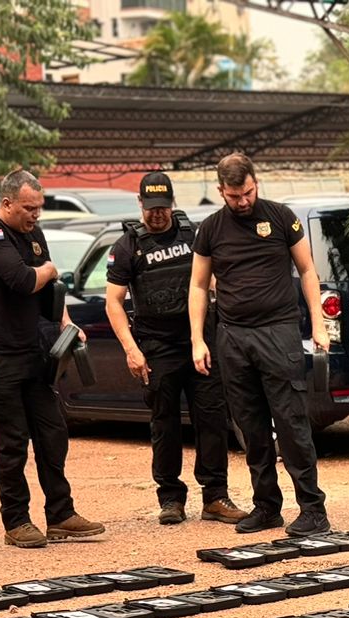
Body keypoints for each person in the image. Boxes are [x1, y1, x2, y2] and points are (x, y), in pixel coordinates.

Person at [189, 153, 331, 535]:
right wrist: (197, 339)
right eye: (235, 196)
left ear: (256, 183)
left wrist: (318, 323)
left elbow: (307, 270)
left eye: (248, 192)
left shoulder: (282, 217)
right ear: (222, 191)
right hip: (232, 337)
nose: (243, 201)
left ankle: (313, 509)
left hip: (278, 331)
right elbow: (199, 285)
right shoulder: (210, 230)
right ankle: (267, 506)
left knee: (291, 423)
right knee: (250, 427)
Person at [0, 168, 105, 548]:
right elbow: (23, 280)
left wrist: (67, 322)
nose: (35, 215)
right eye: (28, 208)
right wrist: (47, 270)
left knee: (53, 432)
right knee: (11, 441)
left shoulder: (33, 234)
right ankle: (16, 521)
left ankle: (61, 514)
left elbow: (48, 290)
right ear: (7, 203)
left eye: (39, 208)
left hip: (32, 350)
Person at [105, 171, 243, 526]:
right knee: (164, 424)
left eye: (163, 207)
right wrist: (131, 350)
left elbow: (212, 279)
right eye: (151, 208)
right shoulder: (127, 246)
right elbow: (114, 303)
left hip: (199, 342)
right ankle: (170, 498)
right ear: (140, 204)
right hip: (156, 346)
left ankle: (215, 496)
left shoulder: (192, 234)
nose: (157, 215)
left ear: (172, 204)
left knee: (211, 419)